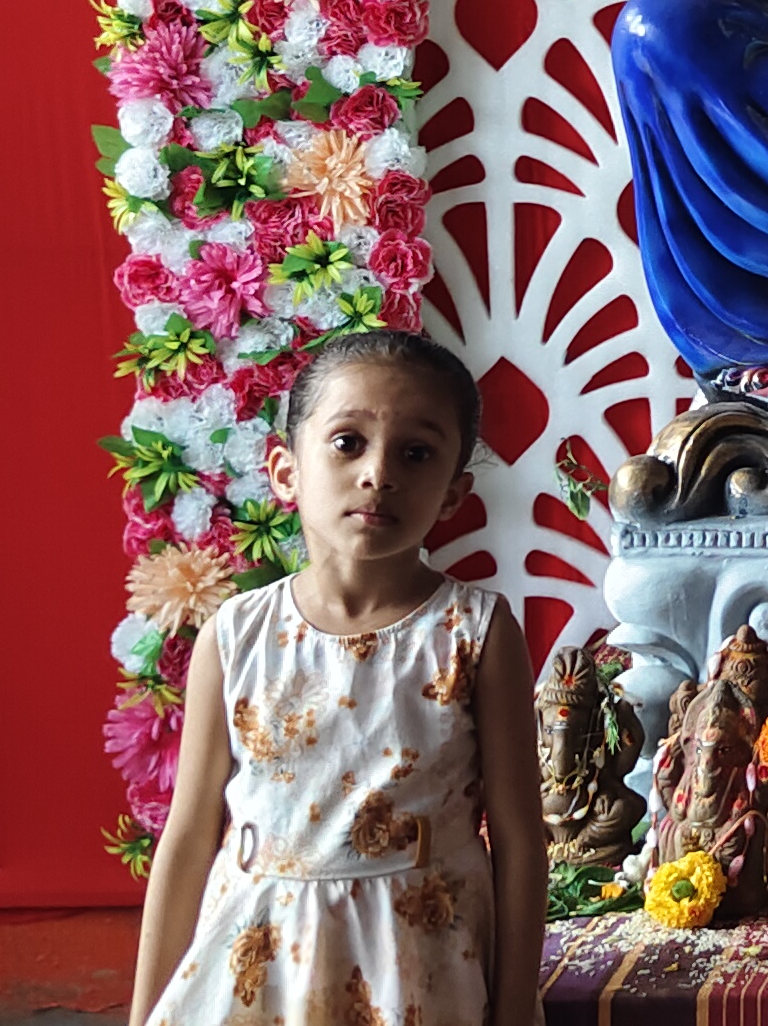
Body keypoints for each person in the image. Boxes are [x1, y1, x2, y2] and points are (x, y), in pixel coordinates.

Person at [127, 331, 546, 1026]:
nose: (379, 473)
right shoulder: (235, 636)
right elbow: (189, 836)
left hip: (417, 969)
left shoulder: (475, 634)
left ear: (453, 493)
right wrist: (145, 1013)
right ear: (286, 471)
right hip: (256, 970)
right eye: (348, 443)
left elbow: (520, 841)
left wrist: (511, 1014)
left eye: (417, 453)